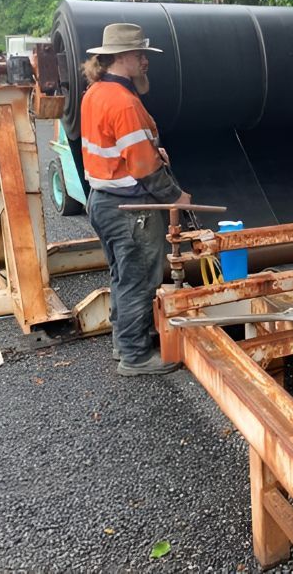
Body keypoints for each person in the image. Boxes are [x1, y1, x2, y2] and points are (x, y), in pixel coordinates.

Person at [80, 23, 190, 376]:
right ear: (122, 57)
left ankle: (124, 341)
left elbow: (124, 148)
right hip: (130, 209)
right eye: (141, 54)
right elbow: (142, 168)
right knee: (140, 278)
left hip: (104, 200)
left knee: (123, 275)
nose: (145, 61)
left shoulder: (95, 92)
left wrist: (153, 151)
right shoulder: (124, 102)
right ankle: (136, 356)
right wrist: (177, 197)